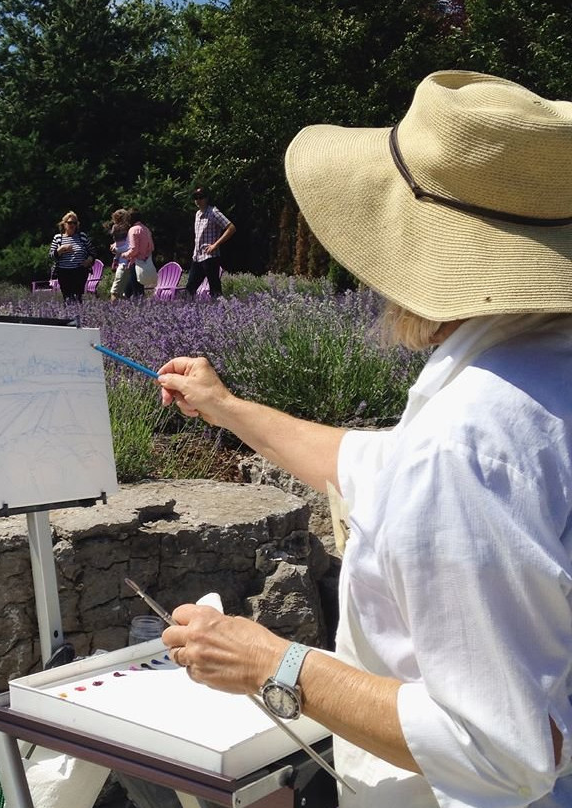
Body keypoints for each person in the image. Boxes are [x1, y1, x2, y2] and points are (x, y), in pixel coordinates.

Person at [157, 71, 572, 808]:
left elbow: (505, 749)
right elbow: (376, 467)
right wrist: (226, 407)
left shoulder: (467, 437)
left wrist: (270, 663)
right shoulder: (534, 374)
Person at [185, 186, 235, 299]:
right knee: (190, 289)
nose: (198, 200)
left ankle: (220, 312)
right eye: (195, 197)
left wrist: (216, 245)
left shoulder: (213, 212)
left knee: (215, 289)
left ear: (206, 198)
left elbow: (231, 228)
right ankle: (191, 313)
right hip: (197, 257)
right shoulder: (197, 214)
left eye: (200, 197)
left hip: (210, 256)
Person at [48, 211, 95, 303]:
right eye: (70, 223)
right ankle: (68, 316)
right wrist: (61, 249)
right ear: (64, 224)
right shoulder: (58, 238)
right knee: (67, 297)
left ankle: (78, 315)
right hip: (64, 271)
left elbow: (92, 251)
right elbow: (51, 256)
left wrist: (89, 260)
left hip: (79, 271)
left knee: (78, 297)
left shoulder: (82, 236)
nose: (72, 225)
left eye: (74, 223)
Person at [121, 208, 157, 297]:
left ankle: (138, 309)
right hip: (144, 263)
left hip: (136, 263)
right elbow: (152, 247)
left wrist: (124, 255)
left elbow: (134, 250)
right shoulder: (146, 229)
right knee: (131, 291)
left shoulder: (133, 230)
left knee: (135, 292)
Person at [107, 209, 132, 301]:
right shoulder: (117, 229)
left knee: (115, 291)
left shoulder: (129, 230)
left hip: (125, 263)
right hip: (122, 262)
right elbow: (118, 244)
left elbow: (129, 247)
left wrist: (116, 249)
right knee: (120, 293)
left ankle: (113, 312)